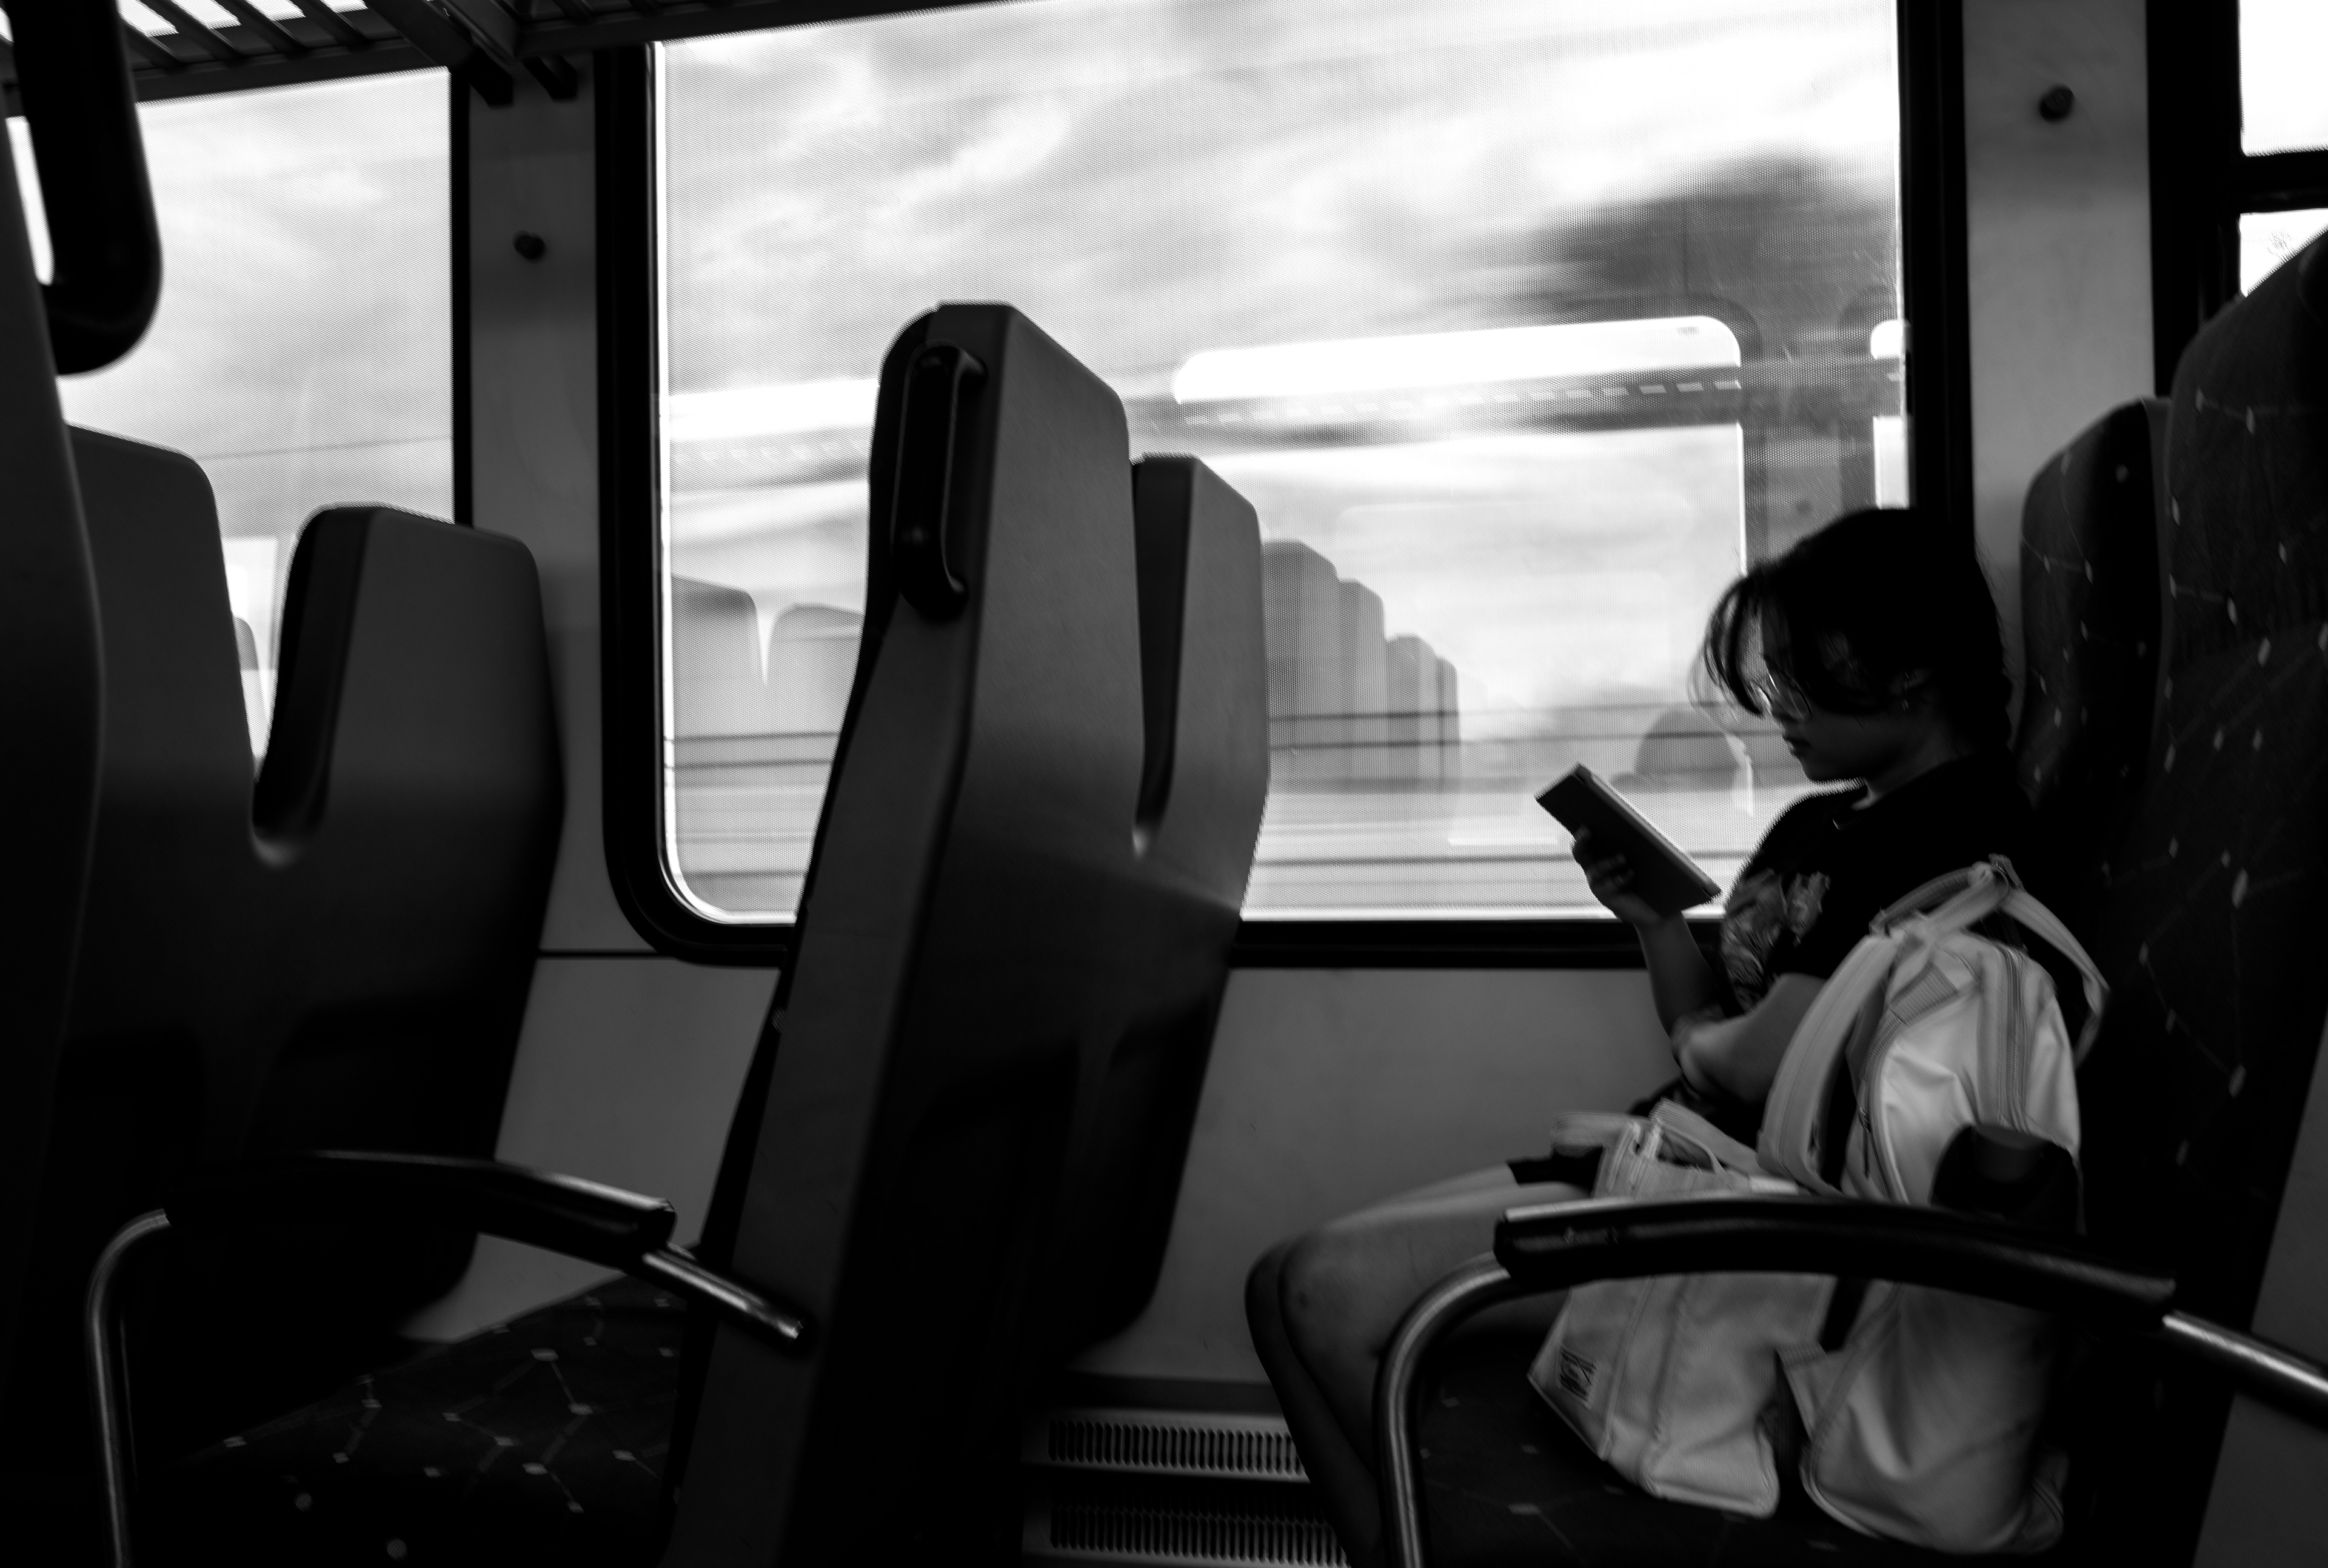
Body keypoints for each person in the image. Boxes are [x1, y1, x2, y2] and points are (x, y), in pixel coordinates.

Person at [1244, 507, 2034, 1568]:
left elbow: (1756, 1062)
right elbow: (1708, 1032)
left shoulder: (1951, 833)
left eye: (1803, 671)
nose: (1777, 705)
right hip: (1675, 1165)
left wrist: (1712, 1040)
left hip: (1753, 1224)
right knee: (1273, 1282)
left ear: (1910, 671)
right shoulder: (1830, 823)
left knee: (1318, 1296)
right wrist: (1660, 926)